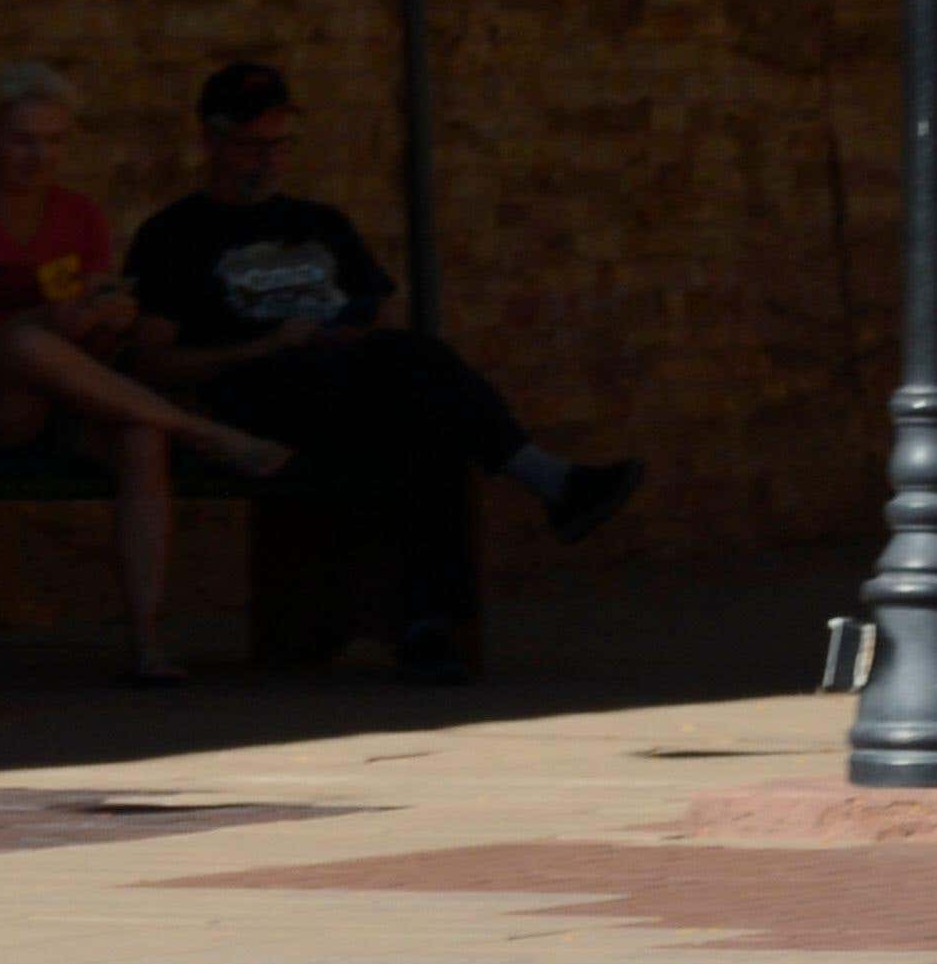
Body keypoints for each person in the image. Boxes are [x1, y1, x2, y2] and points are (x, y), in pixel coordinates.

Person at [124, 59, 637, 681]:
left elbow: (379, 312)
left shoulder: (321, 223)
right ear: (210, 142)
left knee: (425, 414)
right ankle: (546, 482)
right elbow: (153, 362)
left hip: (350, 375)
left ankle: (427, 628)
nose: (267, 160)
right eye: (251, 146)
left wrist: (344, 330)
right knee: (416, 371)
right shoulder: (176, 234)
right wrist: (263, 346)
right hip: (258, 391)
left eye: (280, 145)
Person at [1, 58, 298, 682]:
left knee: (141, 434)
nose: (39, 156)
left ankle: (147, 640)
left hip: (64, 390)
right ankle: (208, 434)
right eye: (22, 139)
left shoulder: (75, 214)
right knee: (23, 343)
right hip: (4, 398)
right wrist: (47, 322)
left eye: (53, 140)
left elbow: (94, 323)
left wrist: (107, 315)